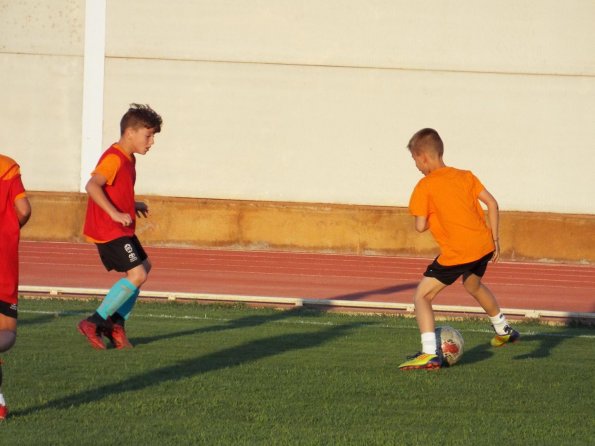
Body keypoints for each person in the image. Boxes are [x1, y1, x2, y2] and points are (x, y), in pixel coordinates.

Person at [398, 128, 519, 370]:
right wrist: (495, 240)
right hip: (483, 245)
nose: (416, 167)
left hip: (458, 252)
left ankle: (429, 353)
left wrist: (429, 214)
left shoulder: (425, 186)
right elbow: (492, 204)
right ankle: (503, 329)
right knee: (472, 284)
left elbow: (420, 226)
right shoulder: (465, 176)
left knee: (422, 296)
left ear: (423, 157)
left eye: (415, 161)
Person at [77, 104, 162, 350]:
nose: (152, 142)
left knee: (144, 267)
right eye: (149, 135)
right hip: (108, 229)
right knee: (137, 274)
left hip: (119, 229)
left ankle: (116, 323)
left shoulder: (129, 159)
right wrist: (114, 213)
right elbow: (93, 186)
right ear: (130, 133)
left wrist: (131, 204)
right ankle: (94, 321)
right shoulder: (114, 158)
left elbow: (114, 189)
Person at [0, 154, 31, 419]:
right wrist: (8, 231)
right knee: (6, 332)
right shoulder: (6, 165)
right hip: (2, 255)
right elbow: (24, 210)